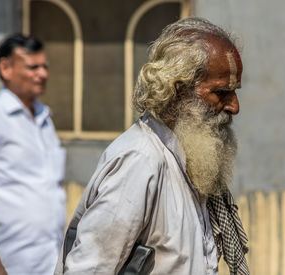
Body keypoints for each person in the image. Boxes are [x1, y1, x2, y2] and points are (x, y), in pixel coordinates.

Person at [56, 17, 249, 275]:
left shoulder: (190, 164)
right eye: (221, 93)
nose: (233, 107)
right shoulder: (141, 160)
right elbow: (89, 269)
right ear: (178, 89)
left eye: (234, 92)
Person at [0, 33, 66, 275]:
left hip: (50, 261)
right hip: (10, 264)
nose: (43, 74)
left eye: (44, 67)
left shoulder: (44, 118)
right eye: (33, 67)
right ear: (5, 68)